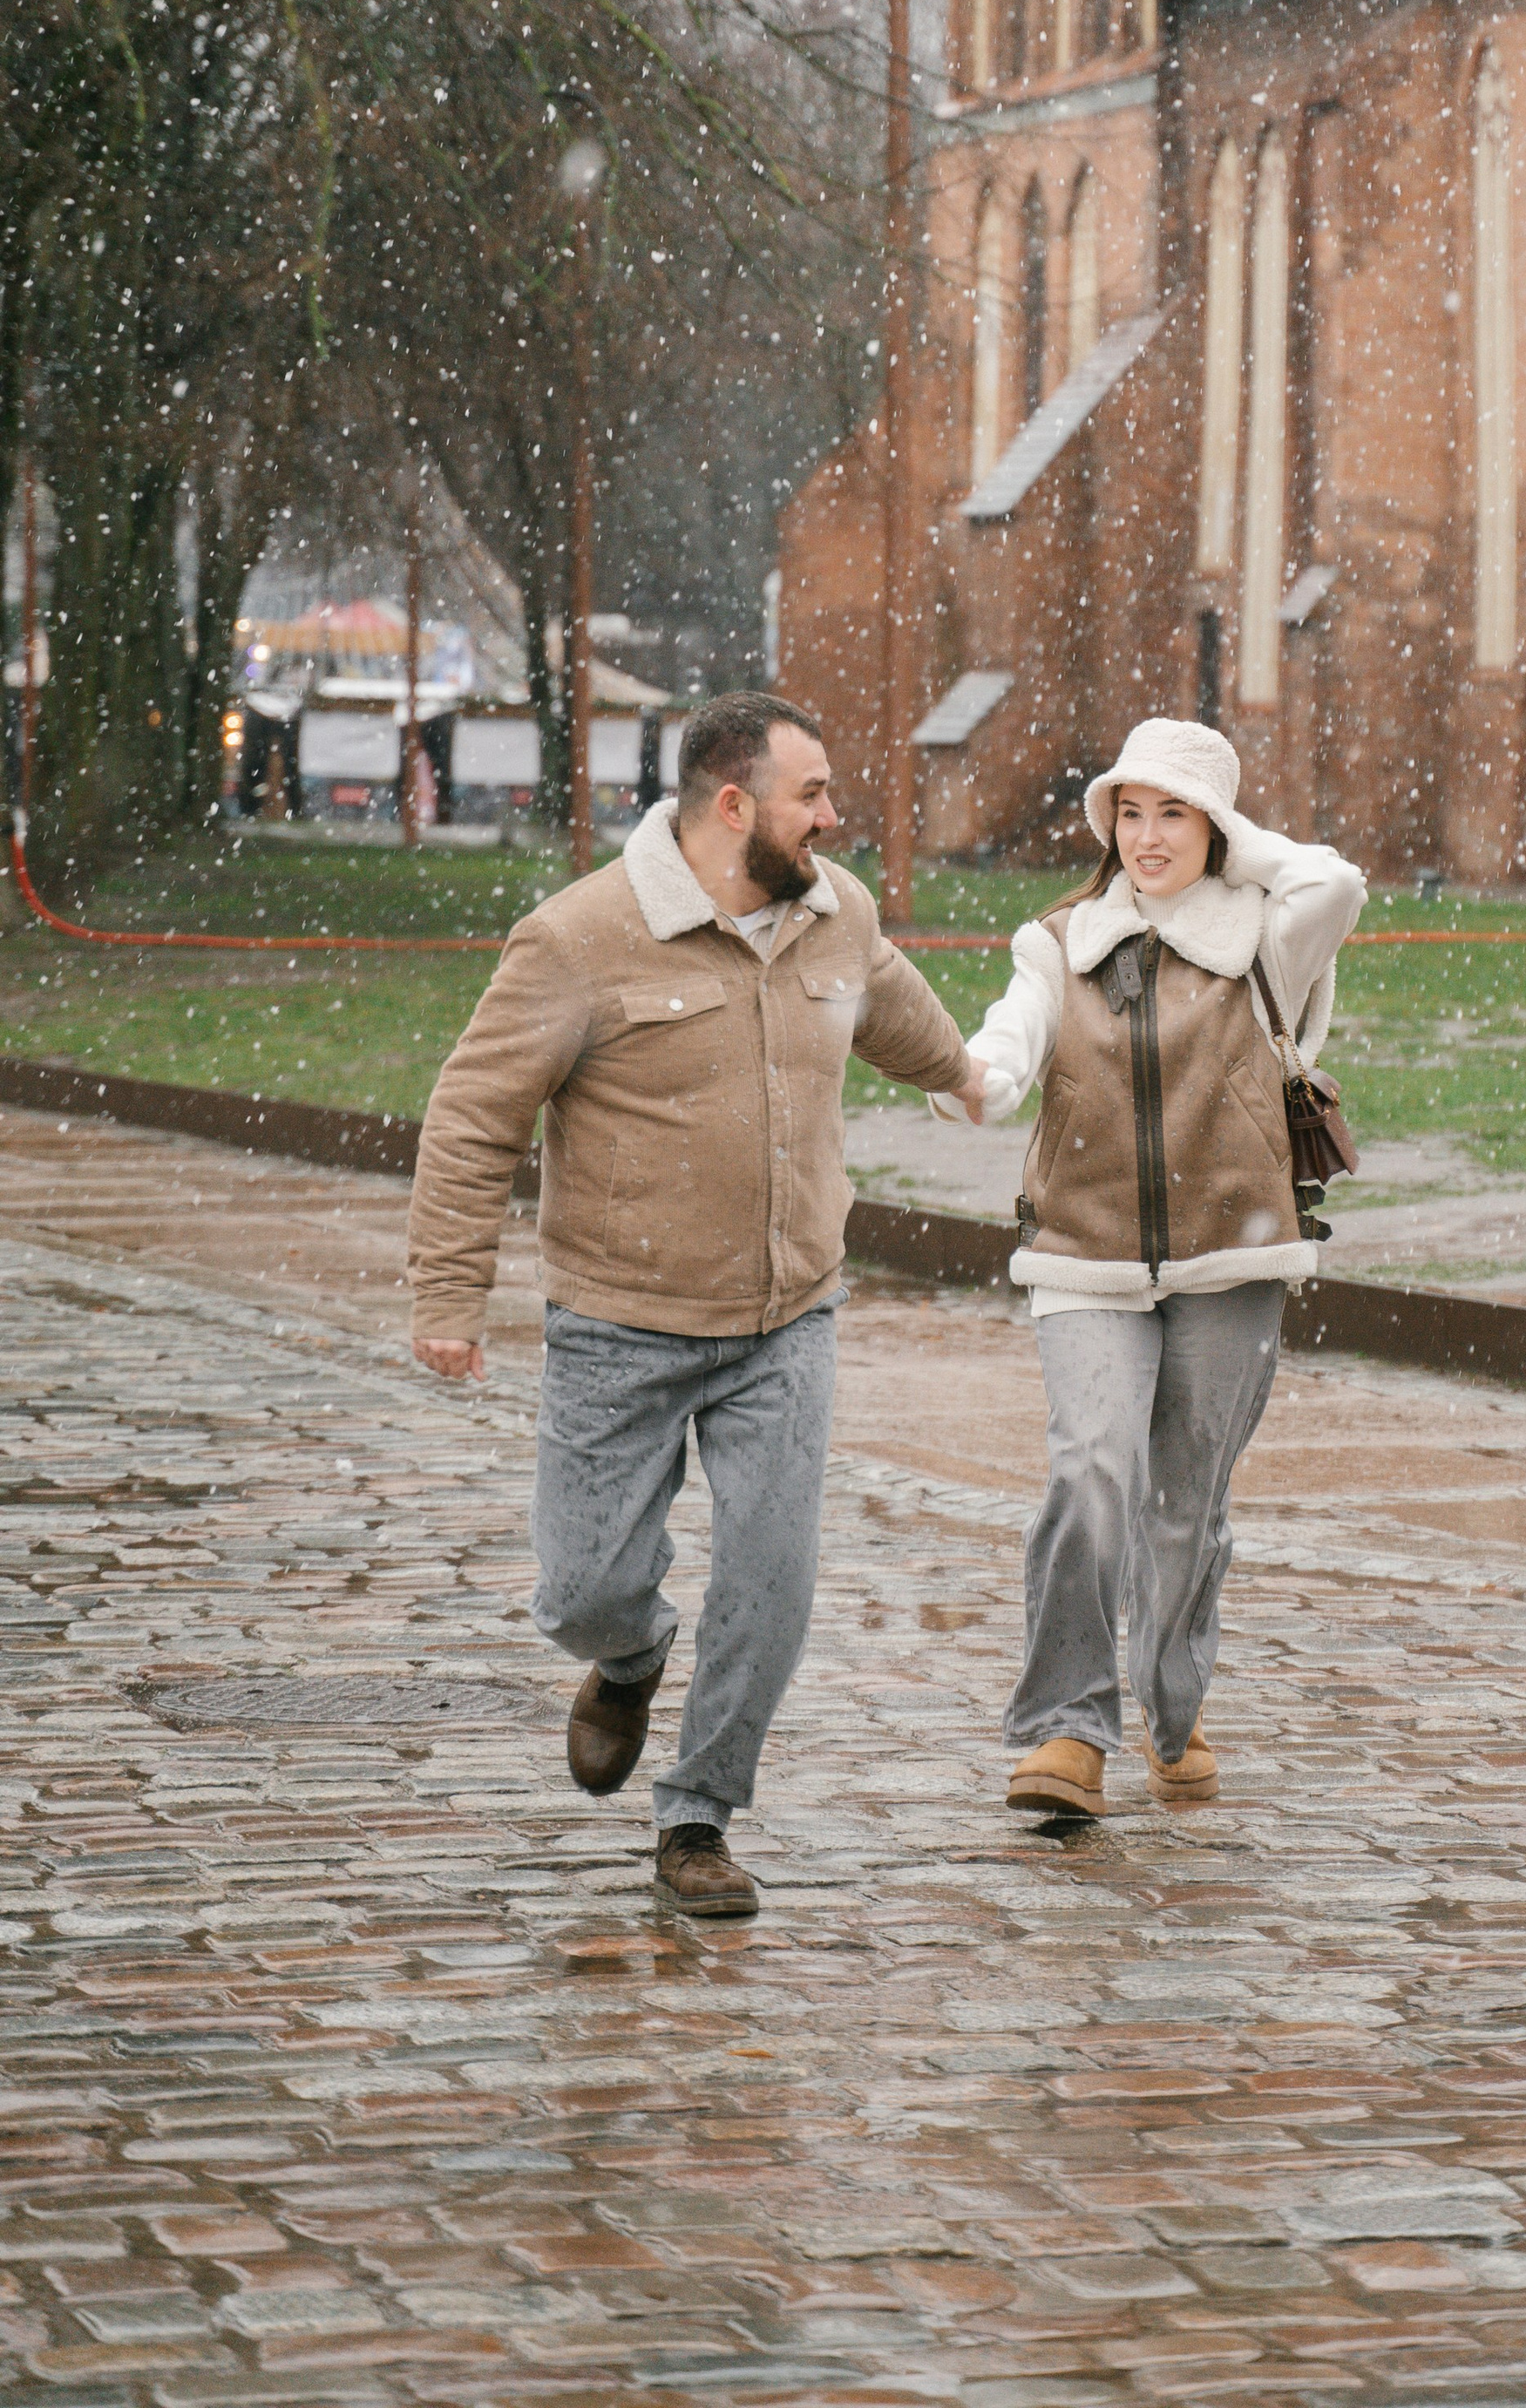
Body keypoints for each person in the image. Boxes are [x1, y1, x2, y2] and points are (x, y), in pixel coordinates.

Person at [407, 689, 987, 1916]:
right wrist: (451, 1293)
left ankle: (699, 1818)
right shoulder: (578, 940)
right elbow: (473, 1119)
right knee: (580, 1589)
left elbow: (887, 1001)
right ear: (736, 808)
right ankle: (627, 1658)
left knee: (772, 1578)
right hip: (619, 1321)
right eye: (812, 795)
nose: (835, 816)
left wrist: (967, 1075)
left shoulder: (839, 916)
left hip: (789, 1320)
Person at [942, 718, 1365, 1818]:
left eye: (1170, 812)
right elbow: (1005, 1047)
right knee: (1092, 1473)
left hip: (1236, 1256)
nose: (1144, 836)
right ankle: (1071, 1732)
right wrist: (967, 1076)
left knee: (1185, 1504)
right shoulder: (1062, 940)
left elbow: (1337, 882)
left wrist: (1233, 839)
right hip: (1082, 1256)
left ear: (1215, 825)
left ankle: (1172, 1709)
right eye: (1128, 812)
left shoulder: (1268, 936)